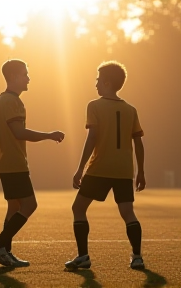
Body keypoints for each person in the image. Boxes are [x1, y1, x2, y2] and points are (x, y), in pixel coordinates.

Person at [0, 59, 65, 267]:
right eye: (25, 74)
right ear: (15, 77)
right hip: (14, 162)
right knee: (30, 204)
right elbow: (19, 132)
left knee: (14, 207)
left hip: (4, 163)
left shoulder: (0, 100)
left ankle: (5, 252)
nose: (28, 78)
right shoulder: (12, 102)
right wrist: (49, 135)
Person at [65, 61, 146, 270]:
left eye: (98, 80)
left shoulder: (94, 106)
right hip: (124, 169)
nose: (96, 84)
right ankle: (137, 257)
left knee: (78, 208)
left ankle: (83, 256)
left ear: (108, 83)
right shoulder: (131, 109)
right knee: (128, 212)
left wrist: (80, 168)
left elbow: (92, 138)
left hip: (100, 167)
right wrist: (141, 171)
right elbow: (138, 142)